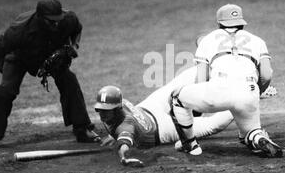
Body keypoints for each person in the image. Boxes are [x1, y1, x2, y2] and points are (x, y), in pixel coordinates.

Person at [0, 0, 101, 150]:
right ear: (40, 18)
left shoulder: (67, 19)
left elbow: (77, 30)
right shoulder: (19, 30)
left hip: (49, 53)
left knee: (69, 80)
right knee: (5, 90)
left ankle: (82, 128)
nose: (56, 24)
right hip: (19, 57)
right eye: (51, 21)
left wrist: (73, 45)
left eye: (58, 20)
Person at [168, 4, 283, 158]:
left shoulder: (207, 39)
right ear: (242, 22)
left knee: (176, 97)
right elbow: (267, 76)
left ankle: (190, 145)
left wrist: (198, 107)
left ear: (219, 23)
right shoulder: (258, 41)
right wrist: (259, 92)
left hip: (218, 90)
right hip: (249, 91)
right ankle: (258, 138)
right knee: (251, 131)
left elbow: (202, 79)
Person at [94, 66, 235, 167]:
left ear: (118, 108)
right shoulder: (120, 109)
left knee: (180, 84)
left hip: (157, 118)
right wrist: (115, 138)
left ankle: (218, 66)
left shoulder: (126, 125)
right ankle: (239, 102)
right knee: (210, 124)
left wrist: (123, 156)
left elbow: (123, 144)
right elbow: (123, 137)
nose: (103, 114)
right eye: (101, 110)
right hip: (158, 117)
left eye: (107, 110)